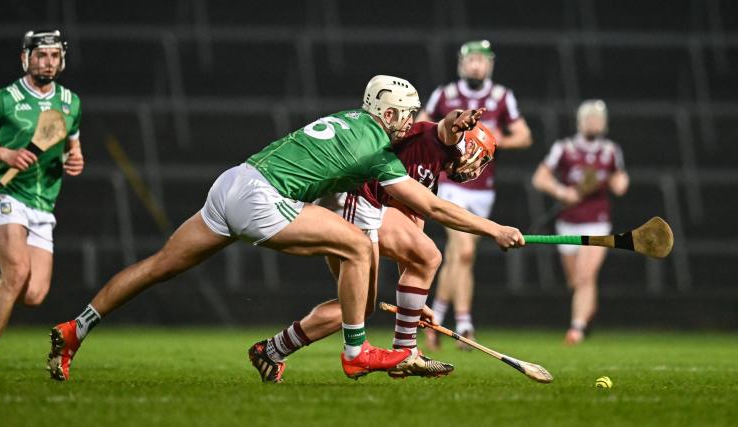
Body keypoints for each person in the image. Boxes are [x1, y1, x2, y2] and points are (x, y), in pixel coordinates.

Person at [46, 75, 525, 381]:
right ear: (384, 113)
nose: (408, 121)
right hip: (264, 199)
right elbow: (433, 210)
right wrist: (494, 229)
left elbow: (428, 142)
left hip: (233, 182)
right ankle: (356, 353)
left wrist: (446, 127)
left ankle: (75, 328)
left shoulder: (351, 120)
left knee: (157, 267)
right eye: (402, 113)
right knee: (360, 247)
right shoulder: (377, 152)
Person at [248, 109, 496, 382]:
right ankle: (405, 351)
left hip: (362, 206)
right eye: (480, 157)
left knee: (358, 306)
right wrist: (458, 121)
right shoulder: (437, 140)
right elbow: (447, 125)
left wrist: (414, 304)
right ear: (469, 145)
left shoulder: (433, 170)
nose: (477, 168)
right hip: (355, 199)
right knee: (428, 257)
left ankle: (270, 351)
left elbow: (413, 228)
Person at [0, 30, 83, 373]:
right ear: (26, 58)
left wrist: (75, 160)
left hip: (44, 205)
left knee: (34, 294)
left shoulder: (71, 102)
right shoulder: (4, 99)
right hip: (7, 196)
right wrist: (5, 153)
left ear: (61, 60)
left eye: (54, 56)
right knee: (18, 272)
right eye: (41, 55)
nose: (47, 62)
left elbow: (73, 148)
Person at [417, 40, 532, 349]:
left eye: (482, 60)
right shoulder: (445, 95)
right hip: (450, 184)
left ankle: (435, 317)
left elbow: (524, 135)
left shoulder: (501, 97)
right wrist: (449, 139)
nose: (476, 65)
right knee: (464, 252)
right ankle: (465, 324)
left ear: (489, 65)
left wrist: (488, 141)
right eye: (471, 60)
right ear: (461, 63)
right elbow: (419, 126)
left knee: (458, 257)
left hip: (483, 189)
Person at [531, 99, 629, 345]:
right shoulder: (565, 148)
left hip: (598, 221)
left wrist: (617, 181)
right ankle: (587, 319)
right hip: (568, 222)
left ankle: (576, 328)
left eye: (598, 118)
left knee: (586, 276)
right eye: (590, 118)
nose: (594, 122)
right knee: (575, 281)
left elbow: (620, 183)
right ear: (580, 121)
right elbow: (540, 178)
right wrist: (563, 192)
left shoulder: (610, 151)